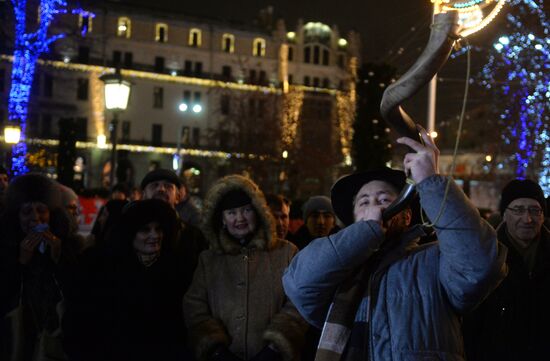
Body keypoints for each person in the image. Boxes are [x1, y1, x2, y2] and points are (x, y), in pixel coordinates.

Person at [282, 128, 508, 360]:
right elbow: (300, 284)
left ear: (407, 215)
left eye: (384, 200)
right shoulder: (339, 270)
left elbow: (479, 265)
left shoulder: (434, 260)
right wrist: (367, 231)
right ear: (354, 219)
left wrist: (432, 183)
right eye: (365, 202)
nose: (376, 207)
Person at [183, 175, 307, 361]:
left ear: (258, 212)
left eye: (246, 210)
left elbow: (300, 302)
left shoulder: (286, 253)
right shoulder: (209, 260)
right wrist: (215, 347)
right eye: (231, 213)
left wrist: (276, 345)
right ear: (222, 219)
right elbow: (195, 307)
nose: (240, 218)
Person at [463, 179, 550, 361]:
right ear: (504, 214)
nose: (527, 219)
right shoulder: (486, 256)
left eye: (535, 210)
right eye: (518, 210)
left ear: (543, 215)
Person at [0, 174, 80, 361]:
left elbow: (76, 295)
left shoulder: (68, 245)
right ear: (16, 216)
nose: (35, 218)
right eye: (27, 212)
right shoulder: (5, 247)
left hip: (54, 340)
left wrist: (58, 259)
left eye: (41, 210)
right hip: (16, 340)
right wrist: (20, 263)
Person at [100, 199, 193, 361]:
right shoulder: (109, 270)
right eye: (145, 230)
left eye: (158, 229)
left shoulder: (176, 270)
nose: (154, 235)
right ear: (130, 233)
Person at [141, 168, 206, 292]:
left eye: (168, 186)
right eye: (155, 185)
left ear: (178, 196)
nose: (161, 189)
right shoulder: (131, 231)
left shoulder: (193, 236)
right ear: (143, 194)